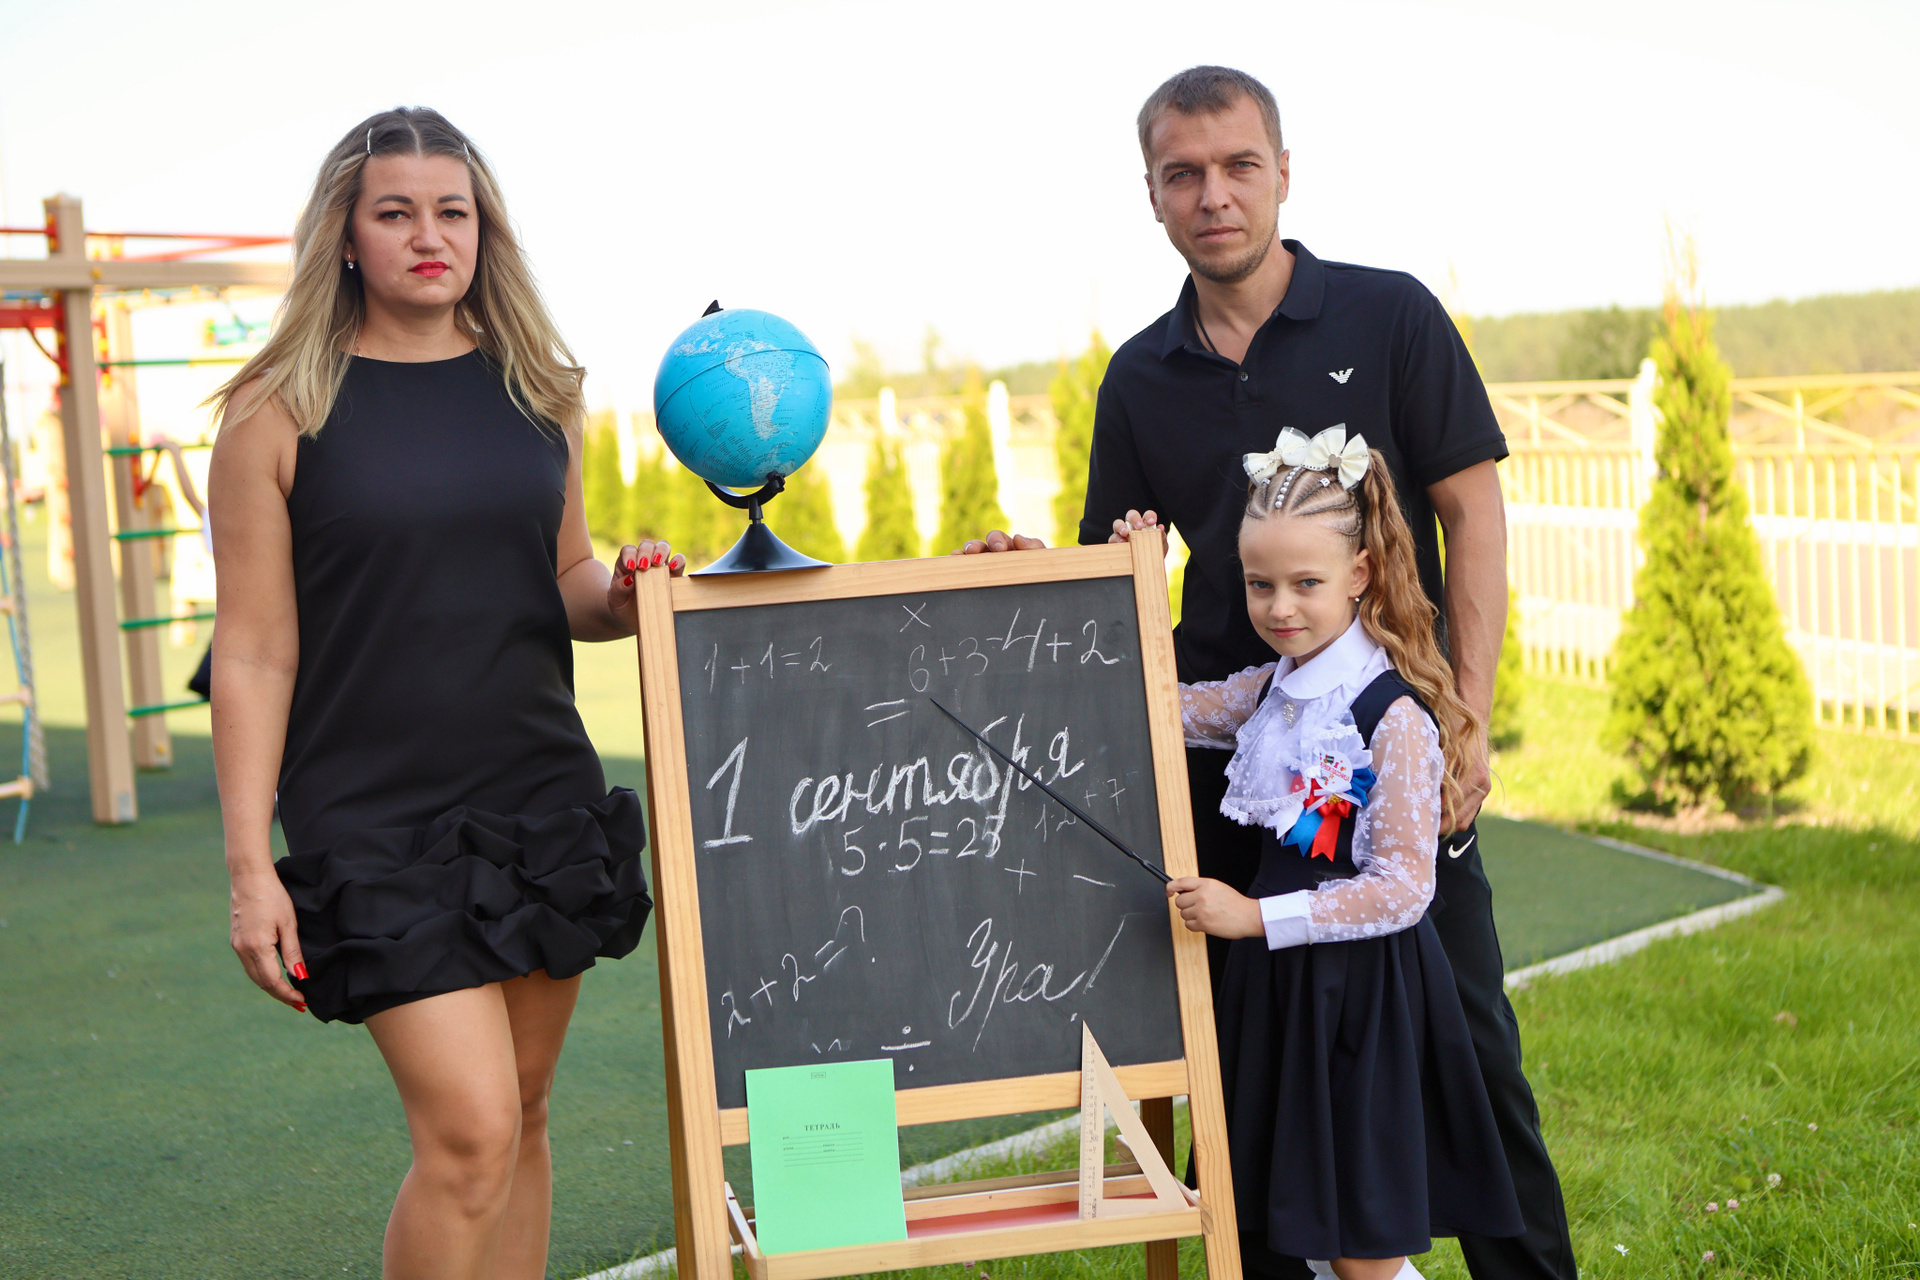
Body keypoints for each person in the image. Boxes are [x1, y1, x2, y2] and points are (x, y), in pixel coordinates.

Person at [964, 65, 1575, 1280]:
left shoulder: (1392, 316)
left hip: (1385, 748)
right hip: (1236, 769)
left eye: (1239, 166)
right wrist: (1040, 574)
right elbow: (1119, 569)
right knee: (1251, 1068)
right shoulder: (1139, 376)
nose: (1215, 196)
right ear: (1151, 193)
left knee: (1468, 1044)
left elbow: (1474, 512)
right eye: (1183, 174)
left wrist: (1465, 713)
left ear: (1283, 172)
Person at [207, 108, 676, 1280]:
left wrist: (624, 594)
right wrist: (251, 868)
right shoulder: (277, 408)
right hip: (368, 813)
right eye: (396, 211)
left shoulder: (540, 390)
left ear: (484, 228)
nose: (430, 235)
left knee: (524, 1111)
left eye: (452, 210)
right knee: (469, 1130)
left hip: (535, 790)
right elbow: (253, 650)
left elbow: (565, 577)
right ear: (345, 234)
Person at [1168, 428, 1522, 1279]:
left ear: (1359, 574)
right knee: (1310, 1236)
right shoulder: (1271, 689)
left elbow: (1402, 888)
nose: (1279, 607)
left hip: (1361, 1003)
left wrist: (1255, 918)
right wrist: (1124, 580)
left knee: (1364, 1254)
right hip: (1282, 999)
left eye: (1306, 583)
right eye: (1260, 584)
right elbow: (1161, 705)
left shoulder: (1389, 715)